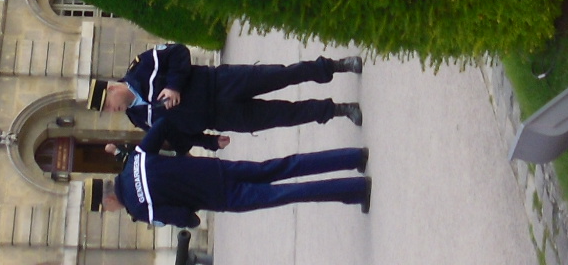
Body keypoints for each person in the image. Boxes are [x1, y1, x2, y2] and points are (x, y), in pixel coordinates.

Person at [91, 43, 363, 151]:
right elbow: (175, 135)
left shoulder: (141, 67)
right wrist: (208, 142)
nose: (112, 111)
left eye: (107, 105)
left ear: (112, 88)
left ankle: (335, 66)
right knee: (283, 115)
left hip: (221, 83)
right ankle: (338, 110)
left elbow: (178, 52)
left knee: (282, 75)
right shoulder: (138, 118)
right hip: (221, 117)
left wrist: (174, 86)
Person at [93, 144, 371, 224]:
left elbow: (186, 219)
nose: (112, 211)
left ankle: (354, 189)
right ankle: (352, 157)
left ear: (108, 200)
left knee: (288, 193)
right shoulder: (134, 161)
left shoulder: (139, 209)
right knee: (284, 165)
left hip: (219, 195)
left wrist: (189, 213)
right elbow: (161, 131)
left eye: (107, 209)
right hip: (215, 169)